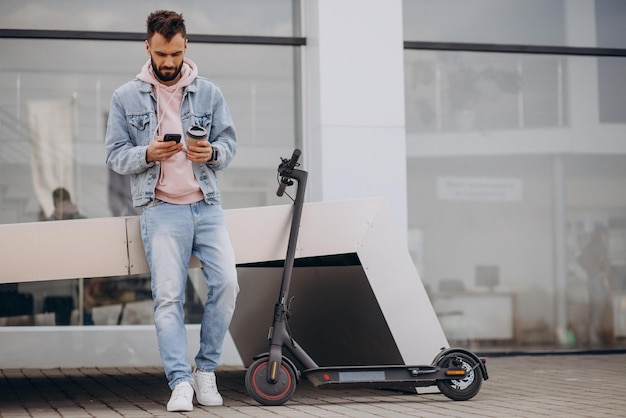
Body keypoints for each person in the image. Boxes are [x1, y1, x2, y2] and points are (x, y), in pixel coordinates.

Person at [104, 10, 239, 412]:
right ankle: (180, 382)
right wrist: (147, 153)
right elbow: (114, 155)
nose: (168, 63)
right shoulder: (125, 97)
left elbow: (229, 146)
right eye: (162, 54)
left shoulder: (210, 93)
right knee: (168, 299)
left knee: (228, 285)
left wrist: (211, 152)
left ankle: (206, 369)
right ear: (148, 47)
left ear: (185, 48)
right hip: (161, 209)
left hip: (207, 206)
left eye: (176, 54)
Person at [577, 224, 612, 345]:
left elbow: (604, 263)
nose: (607, 236)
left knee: (600, 306)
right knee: (596, 306)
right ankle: (591, 334)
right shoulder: (594, 245)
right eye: (605, 234)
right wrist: (595, 272)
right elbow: (581, 259)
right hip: (596, 280)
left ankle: (593, 334)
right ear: (600, 234)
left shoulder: (602, 246)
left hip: (601, 280)